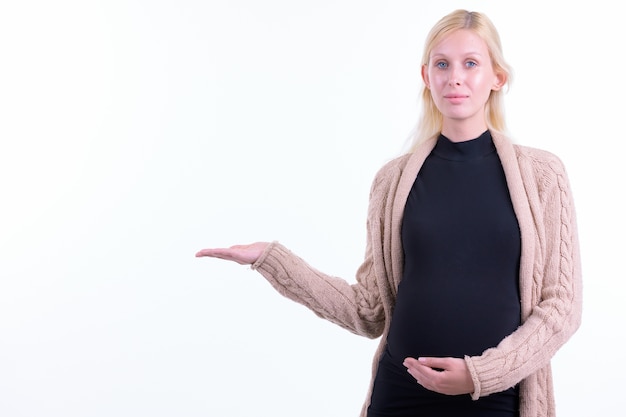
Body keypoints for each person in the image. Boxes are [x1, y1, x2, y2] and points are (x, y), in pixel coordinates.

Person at [196, 9, 582, 417]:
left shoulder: (543, 175)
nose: (455, 77)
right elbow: (368, 311)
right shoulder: (392, 181)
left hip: (498, 398)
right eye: (442, 64)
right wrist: (270, 259)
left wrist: (480, 375)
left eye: (471, 63)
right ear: (426, 76)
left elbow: (562, 308)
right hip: (402, 394)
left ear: (497, 77)